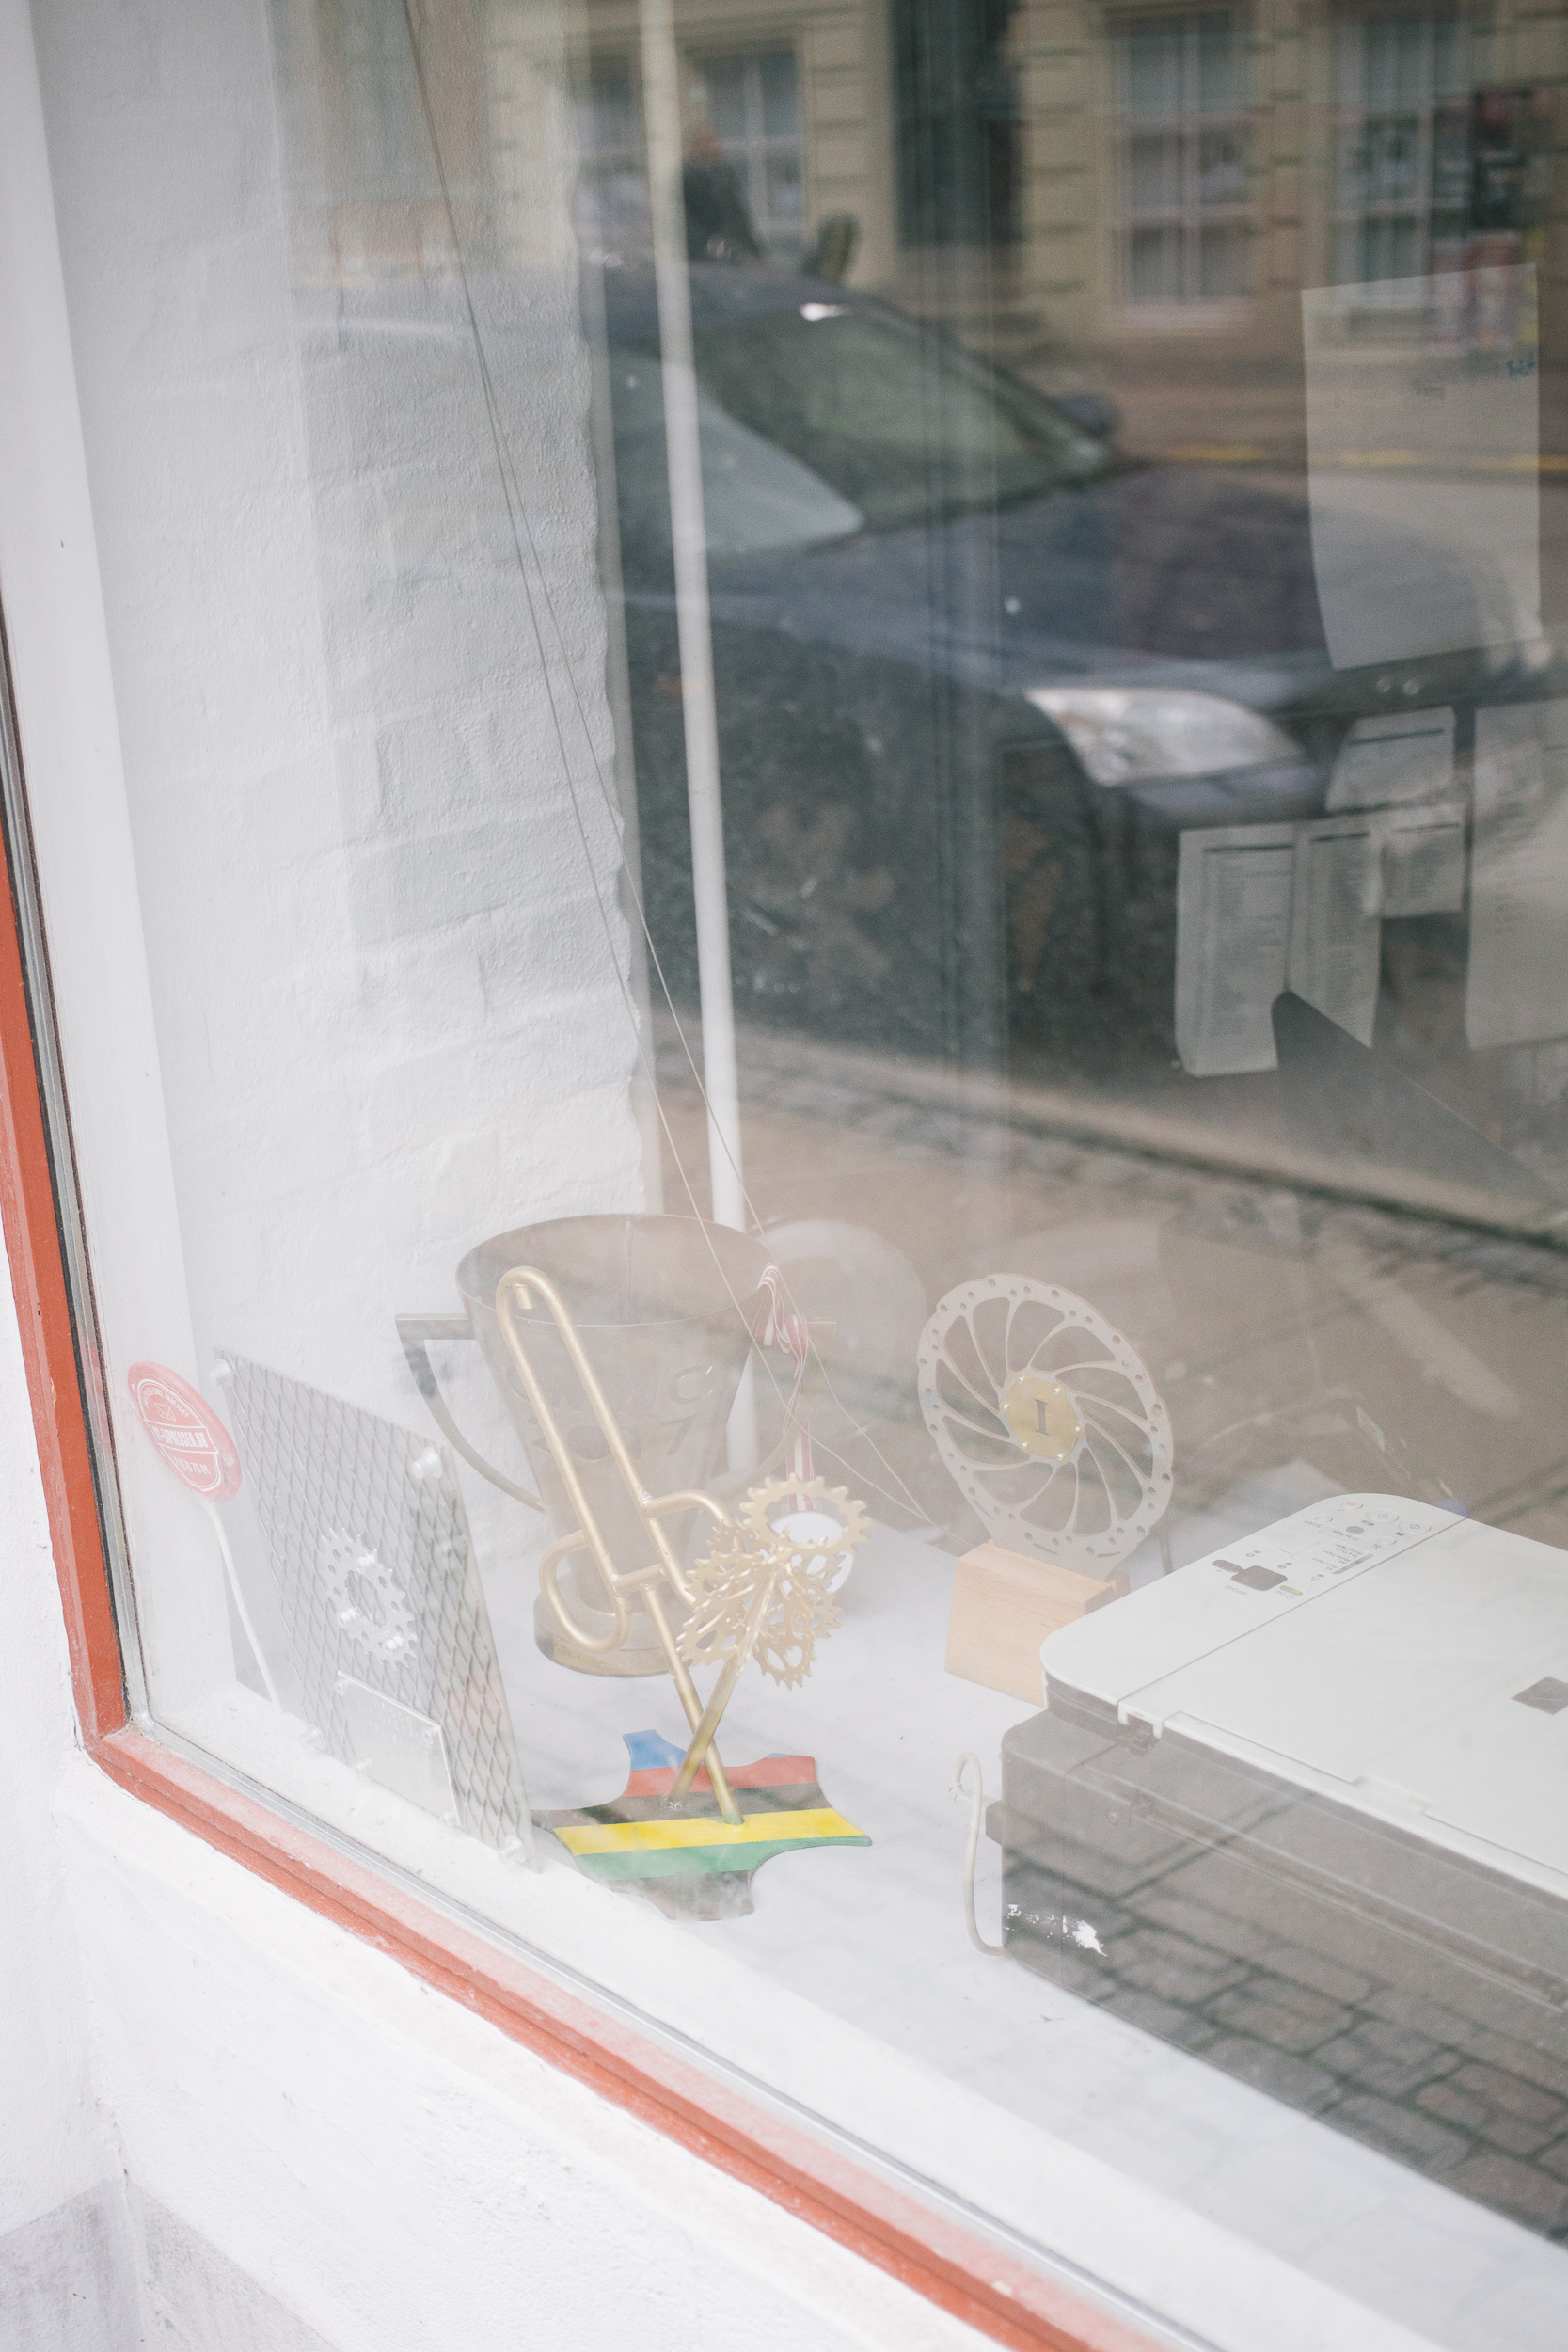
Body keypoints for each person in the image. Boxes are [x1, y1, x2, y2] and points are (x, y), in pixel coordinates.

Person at [682, 123, 764, 262]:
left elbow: (736, 214)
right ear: (694, 147)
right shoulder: (687, 178)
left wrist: (755, 251)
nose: (713, 146)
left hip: (730, 248)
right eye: (706, 142)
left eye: (714, 141)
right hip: (703, 254)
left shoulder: (724, 173)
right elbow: (689, 221)